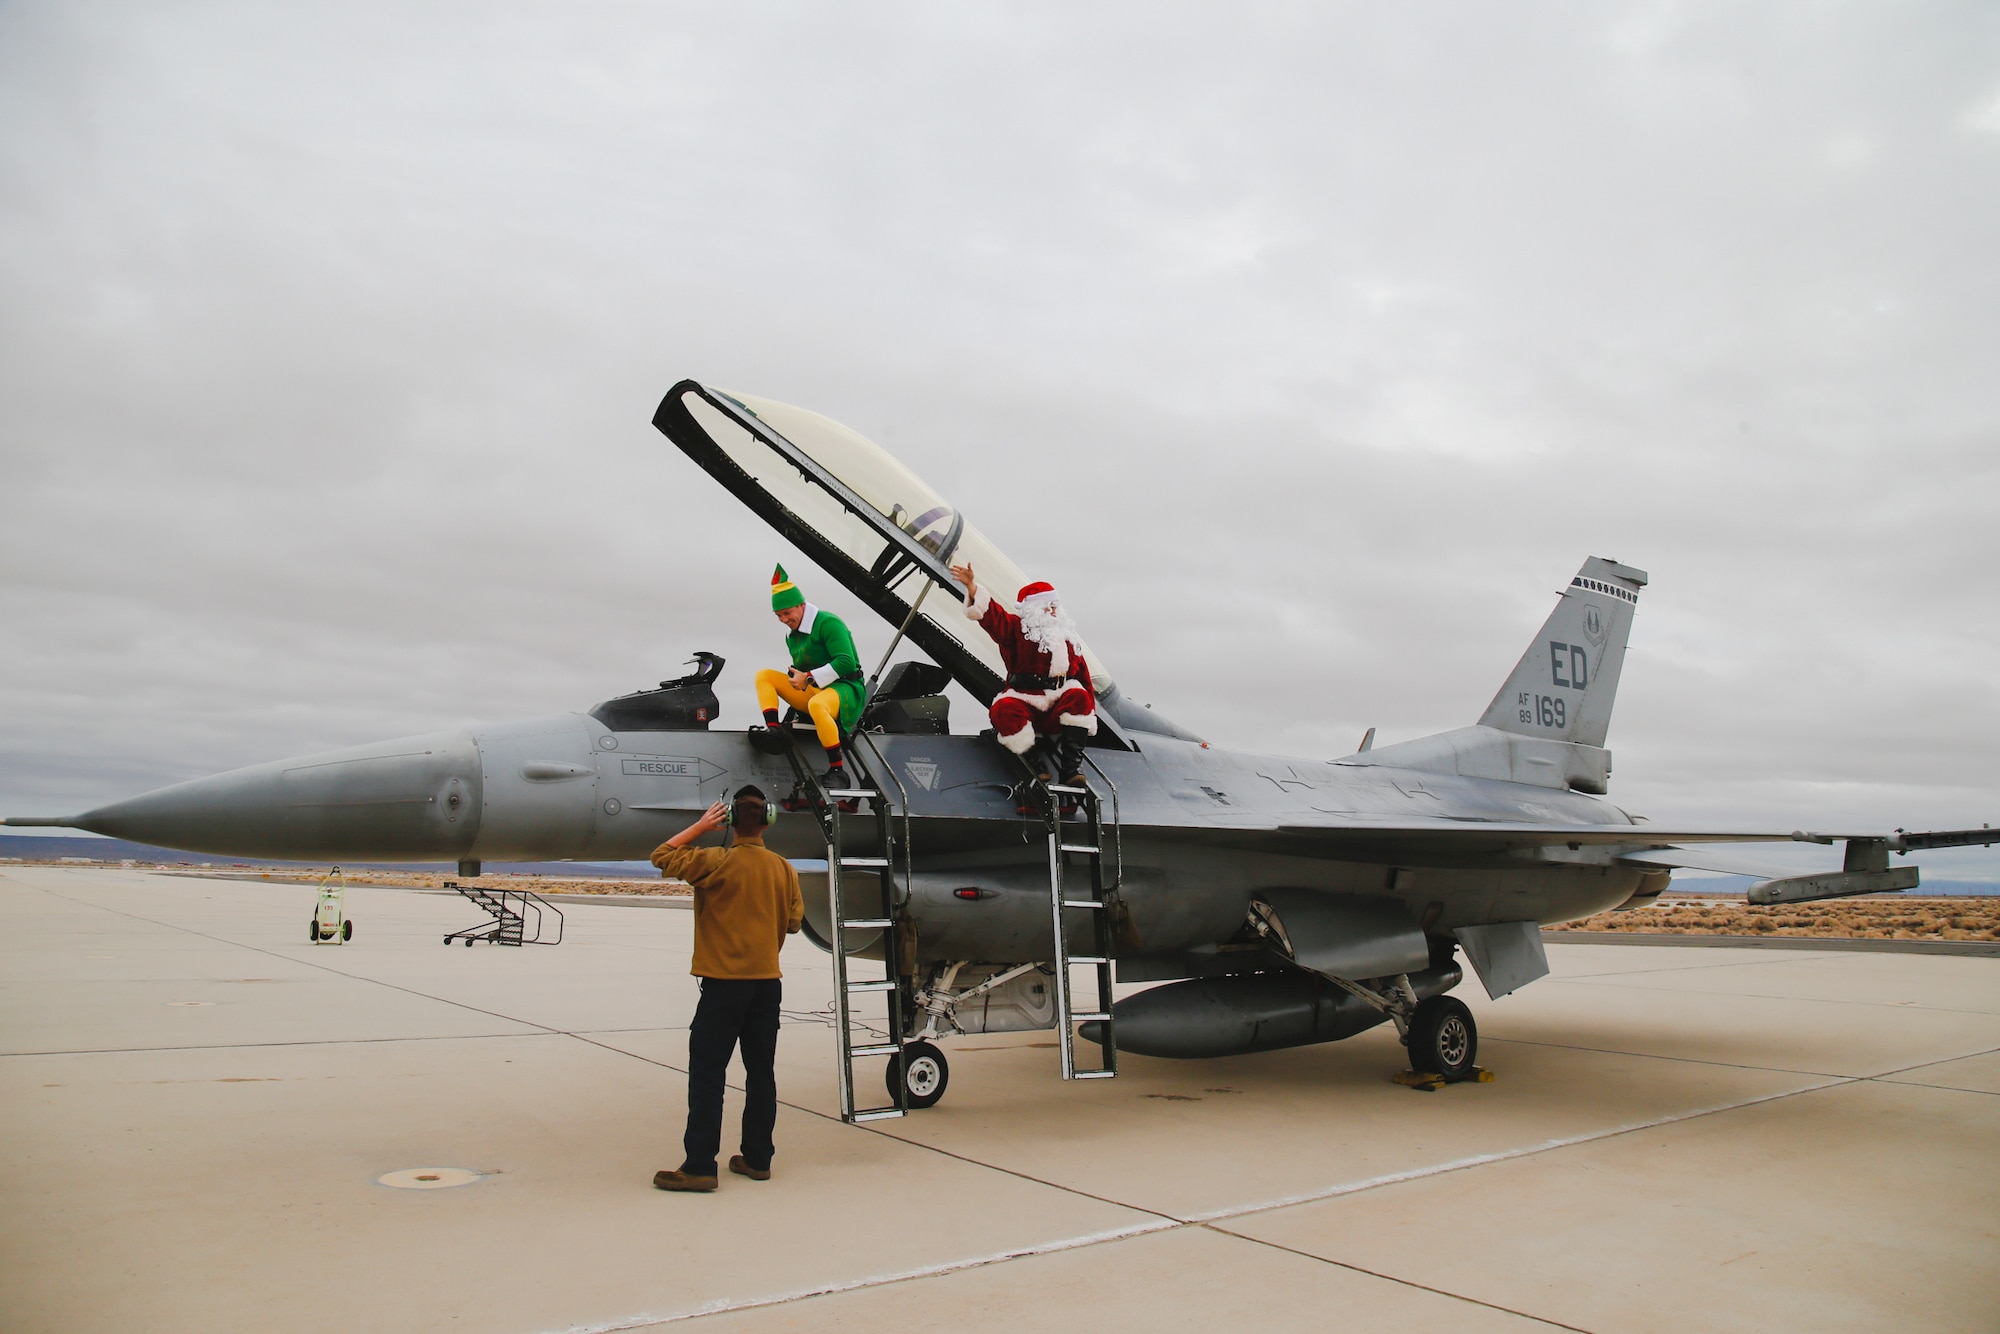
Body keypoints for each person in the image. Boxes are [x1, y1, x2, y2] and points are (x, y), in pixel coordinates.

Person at [648, 785, 805, 1193]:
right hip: (767, 986)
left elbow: (661, 856)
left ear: (731, 821)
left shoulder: (715, 862)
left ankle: (700, 1165)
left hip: (723, 989)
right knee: (760, 1074)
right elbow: (793, 923)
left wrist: (700, 826)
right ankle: (757, 1159)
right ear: (767, 819)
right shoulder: (784, 869)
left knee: (708, 1076)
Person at [948, 561, 1097, 789]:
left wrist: (1090, 711)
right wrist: (972, 588)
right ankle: (1034, 765)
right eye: (1048, 606)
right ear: (1033, 610)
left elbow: (1083, 676)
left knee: (1079, 696)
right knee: (1003, 710)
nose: (1054, 611)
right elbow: (994, 618)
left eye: (1055, 605)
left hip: (1058, 701)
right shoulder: (1016, 628)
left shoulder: (1066, 637)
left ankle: (1070, 769)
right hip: (1026, 697)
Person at [753, 564, 866, 786]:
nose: (783, 619)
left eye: (787, 613)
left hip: (846, 689)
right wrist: (798, 678)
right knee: (764, 675)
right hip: (816, 689)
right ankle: (774, 730)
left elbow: (845, 662)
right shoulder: (791, 635)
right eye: (778, 615)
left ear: (801, 606)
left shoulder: (828, 623)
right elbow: (803, 671)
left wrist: (809, 677)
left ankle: (837, 770)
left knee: (817, 705)